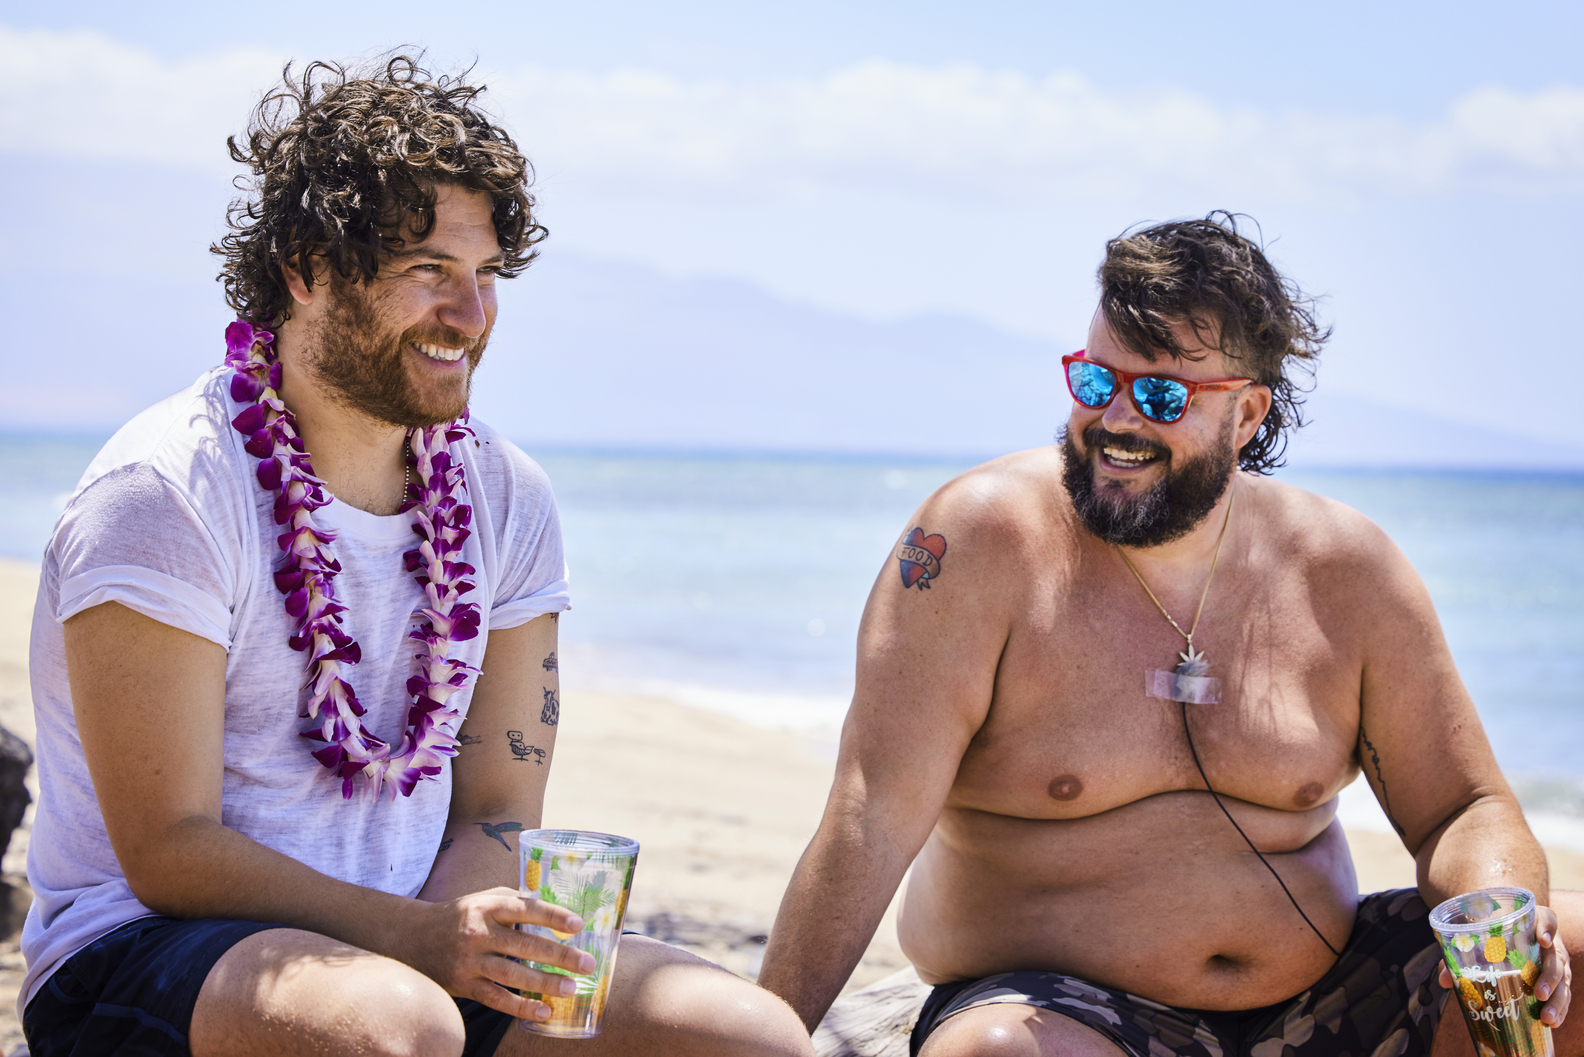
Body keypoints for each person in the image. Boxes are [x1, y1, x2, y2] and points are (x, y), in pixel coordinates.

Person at [20, 56, 813, 1057]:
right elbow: (169, 853)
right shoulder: (166, 492)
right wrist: (420, 947)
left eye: (485, 277)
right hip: (147, 949)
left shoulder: (505, 494)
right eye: (429, 272)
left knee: (746, 1033)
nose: (472, 318)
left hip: (417, 944)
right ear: (305, 269)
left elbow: (497, 808)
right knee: (398, 1028)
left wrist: (464, 938)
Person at [758, 212, 1578, 1057]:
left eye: (1159, 395)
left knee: (1575, 959)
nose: (1115, 419)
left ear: (1248, 414)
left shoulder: (1345, 571)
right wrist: (769, 1035)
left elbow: (1462, 806)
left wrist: (1498, 910)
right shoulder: (976, 546)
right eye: (1093, 380)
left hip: (1324, 1000)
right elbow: (871, 814)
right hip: (1064, 1014)